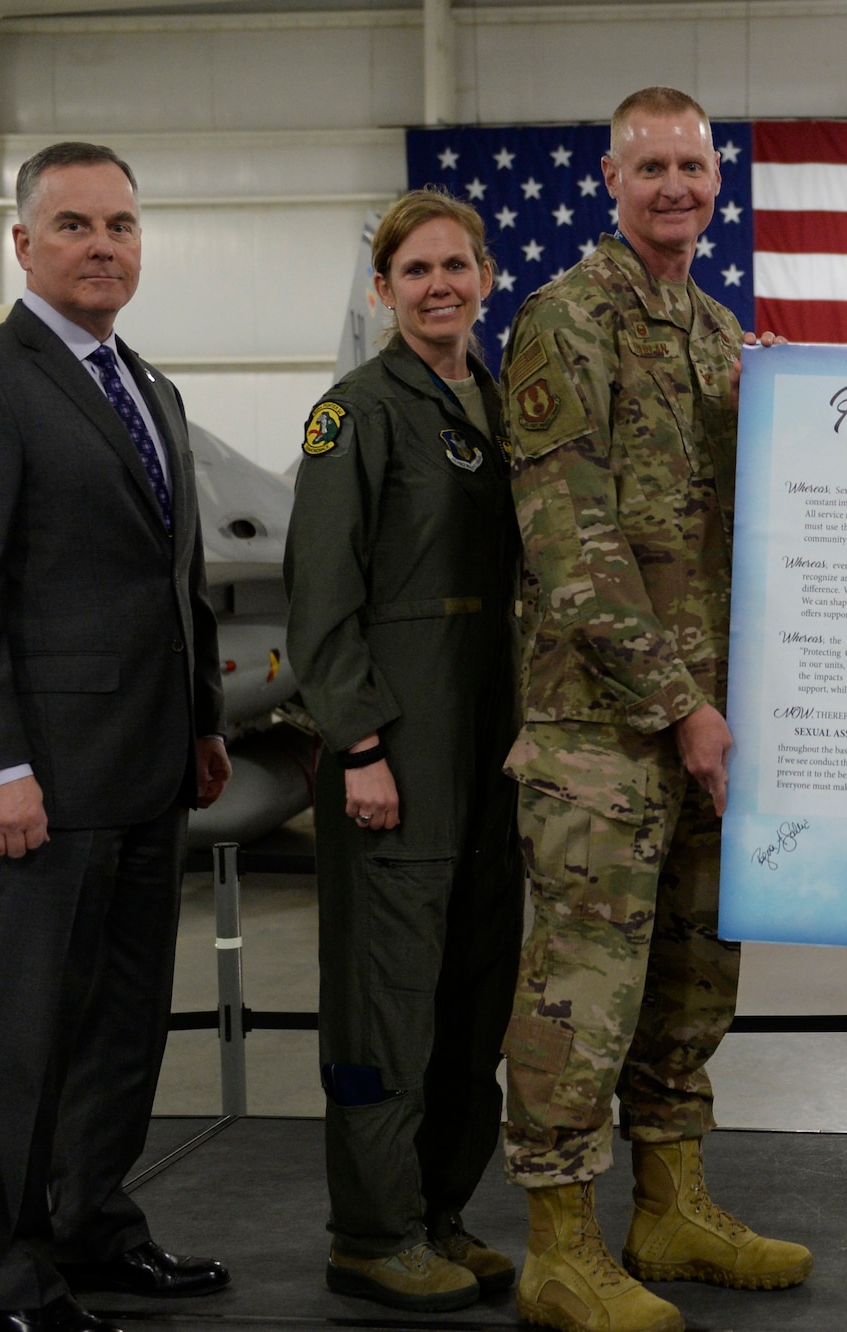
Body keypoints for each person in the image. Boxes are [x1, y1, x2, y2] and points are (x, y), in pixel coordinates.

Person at [0, 141, 232, 1332]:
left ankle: (94, 1226)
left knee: (124, 1029)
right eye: (78, 225)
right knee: (24, 1046)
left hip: (147, 771)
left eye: (123, 226)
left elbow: (172, 574)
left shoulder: (149, 386)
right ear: (24, 243)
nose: (105, 246)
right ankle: (7, 1279)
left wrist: (200, 723)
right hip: (32, 782)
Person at [496, 85, 807, 1332]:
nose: (674, 184)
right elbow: (568, 544)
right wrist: (681, 705)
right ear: (608, 182)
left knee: (690, 973)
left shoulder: (711, 328)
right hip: (601, 733)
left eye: (692, 164)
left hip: (706, 728)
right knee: (581, 988)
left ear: (716, 184)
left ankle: (668, 1203)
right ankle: (558, 1246)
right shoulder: (565, 322)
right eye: (651, 166)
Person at [282, 190, 524, 1311]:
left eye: (456, 266)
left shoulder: (501, 399)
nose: (440, 286)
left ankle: (438, 1213)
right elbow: (321, 598)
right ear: (383, 290)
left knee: (473, 993)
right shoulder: (356, 413)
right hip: (401, 742)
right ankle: (371, 1231)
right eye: (415, 269)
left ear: (485, 276)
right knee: (387, 996)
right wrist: (360, 744)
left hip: (492, 739)